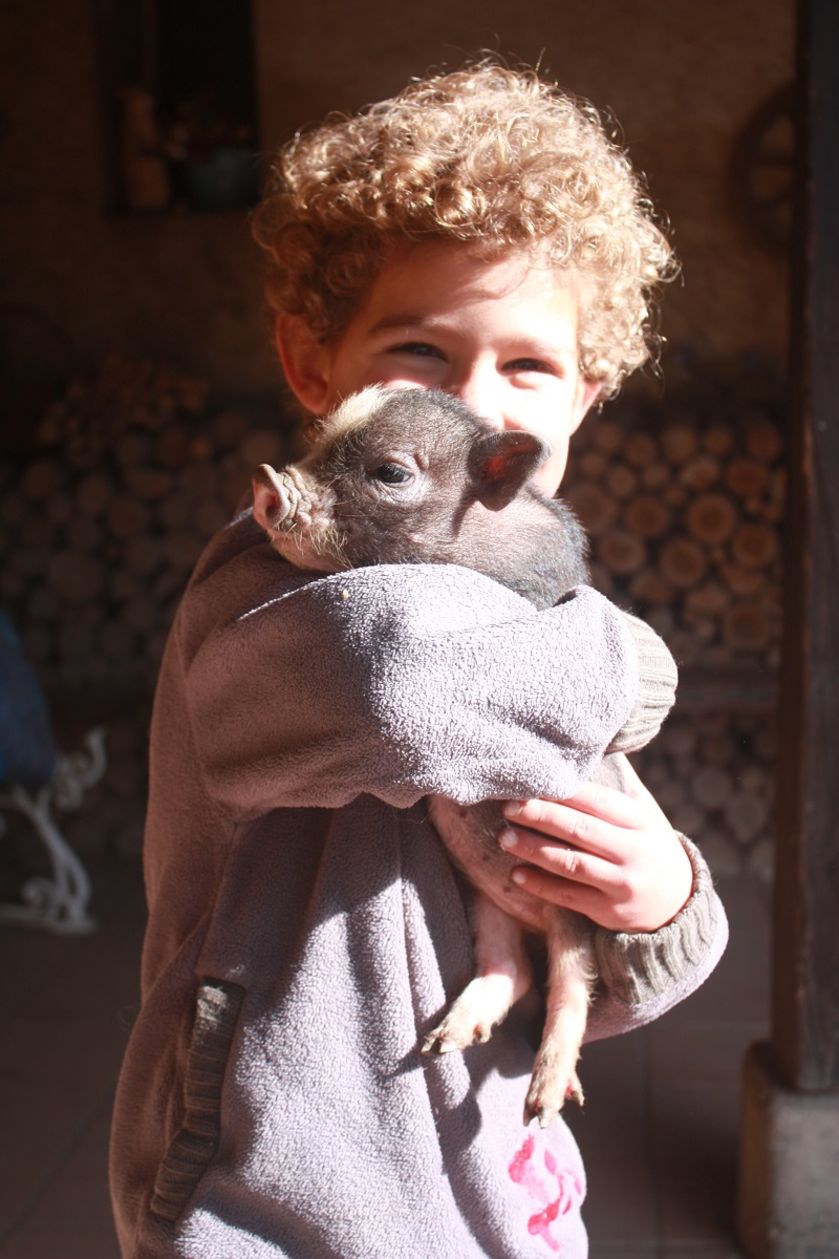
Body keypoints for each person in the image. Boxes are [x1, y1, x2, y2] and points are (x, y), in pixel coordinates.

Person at [110, 62, 727, 1258]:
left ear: (586, 396)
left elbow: (611, 961)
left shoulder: (527, 614)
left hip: (494, 1193)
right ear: (311, 366)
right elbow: (389, 683)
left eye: (528, 365)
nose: (476, 411)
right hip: (257, 1197)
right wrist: (634, 665)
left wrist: (657, 900)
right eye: (417, 352)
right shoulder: (264, 583)